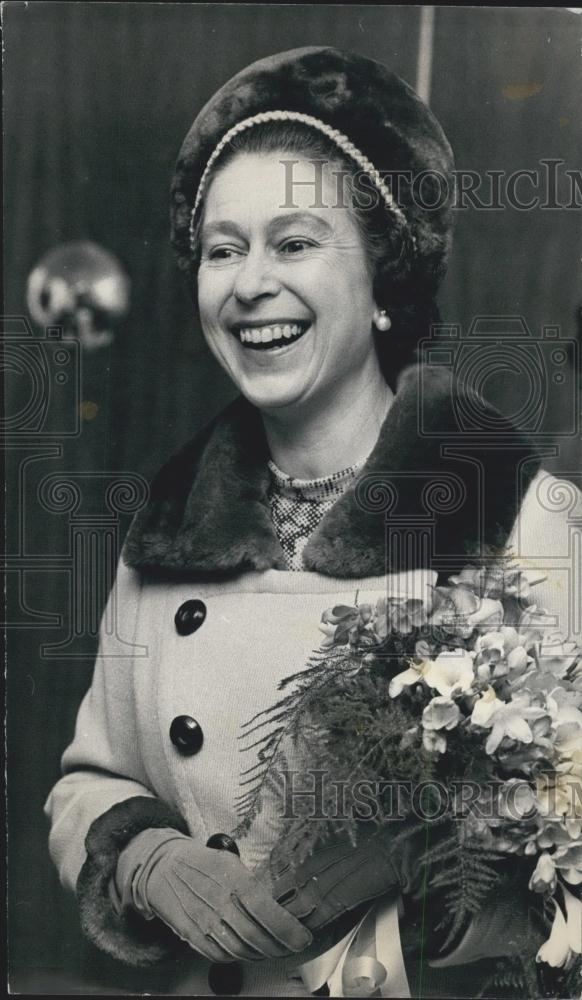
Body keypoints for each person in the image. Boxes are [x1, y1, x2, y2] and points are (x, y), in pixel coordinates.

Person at [45, 47, 581, 997]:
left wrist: (424, 862)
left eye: (294, 243)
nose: (250, 284)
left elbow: (568, 838)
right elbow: (90, 782)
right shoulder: (163, 532)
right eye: (223, 248)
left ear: (385, 278)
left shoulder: (514, 515)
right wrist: (145, 859)